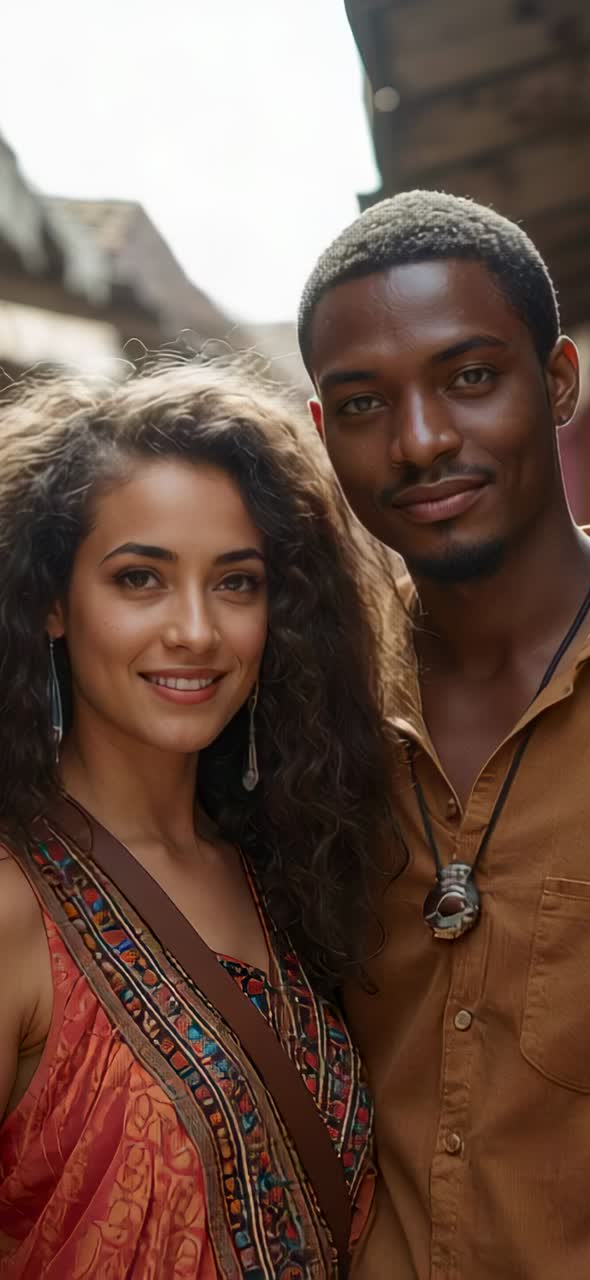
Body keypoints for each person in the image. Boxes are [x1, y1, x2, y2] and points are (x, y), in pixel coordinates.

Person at [298, 189, 590, 1280]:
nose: (422, 440)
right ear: (320, 433)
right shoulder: (301, 707)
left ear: (561, 379)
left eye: (470, 377)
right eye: (362, 402)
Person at [0, 361, 397, 1279]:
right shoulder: (17, 904)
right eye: (140, 579)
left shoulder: (283, 870)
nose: (196, 631)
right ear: (54, 604)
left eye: (237, 583)